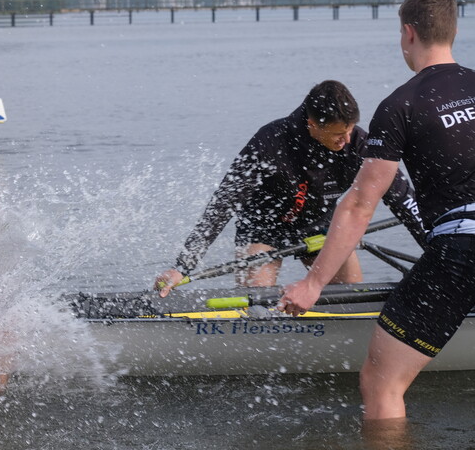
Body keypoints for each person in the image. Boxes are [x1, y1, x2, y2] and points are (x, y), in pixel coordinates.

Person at [279, 0, 475, 420]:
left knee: (382, 383)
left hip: (462, 250)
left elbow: (359, 205)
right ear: (453, 30)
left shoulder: (401, 105)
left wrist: (312, 283)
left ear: (408, 34)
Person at [155, 80, 426, 294]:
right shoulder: (269, 142)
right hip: (263, 229)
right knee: (255, 303)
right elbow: (222, 205)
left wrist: (437, 250)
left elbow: (403, 199)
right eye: (337, 135)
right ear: (312, 124)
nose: (346, 140)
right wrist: (183, 266)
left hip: (320, 226)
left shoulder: (357, 142)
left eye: (350, 131)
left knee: (353, 294)